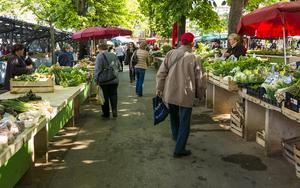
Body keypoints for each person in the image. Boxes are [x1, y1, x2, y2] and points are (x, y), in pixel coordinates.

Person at [156, 32, 205, 158]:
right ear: (192, 43)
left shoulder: (170, 53)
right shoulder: (195, 58)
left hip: (170, 92)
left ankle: (176, 137)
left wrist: (159, 88)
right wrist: (200, 94)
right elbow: (200, 79)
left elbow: (161, 73)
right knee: (184, 121)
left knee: (174, 116)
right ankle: (179, 149)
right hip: (186, 94)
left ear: (181, 42)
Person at [94, 41, 121, 119]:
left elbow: (97, 69)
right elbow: (118, 66)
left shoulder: (100, 56)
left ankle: (106, 113)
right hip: (114, 79)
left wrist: (96, 80)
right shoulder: (113, 55)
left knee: (104, 97)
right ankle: (114, 111)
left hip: (104, 80)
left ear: (100, 48)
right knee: (114, 95)